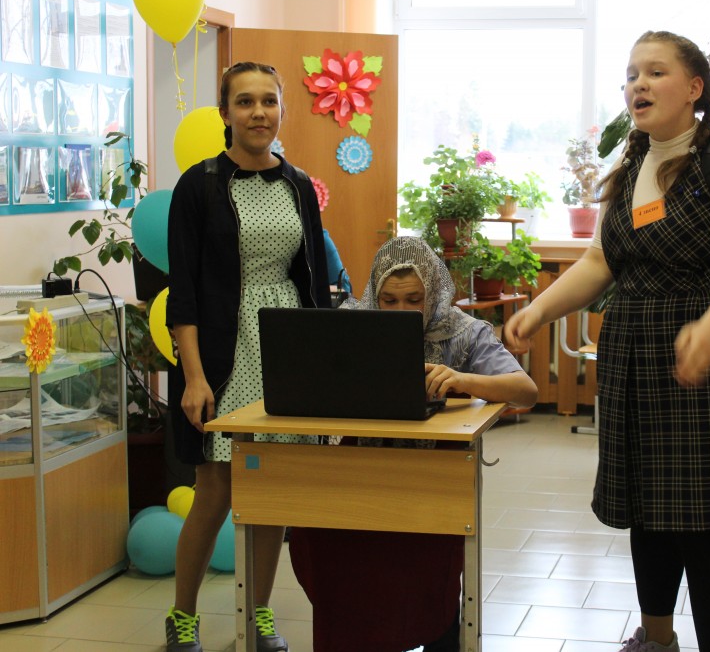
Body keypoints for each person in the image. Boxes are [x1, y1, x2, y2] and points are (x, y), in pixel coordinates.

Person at [504, 31, 710, 652]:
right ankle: (656, 641)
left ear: (694, 88)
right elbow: (600, 262)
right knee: (647, 513)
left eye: (655, 72)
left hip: (708, 360)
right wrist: (539, 310)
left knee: (706, 527)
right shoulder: (630, 168)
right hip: (635, 356)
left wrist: (708, 330)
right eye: (632, 74)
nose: (638, 84)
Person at [288, 235, 537, 651]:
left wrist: (462, 379)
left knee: (429, 573)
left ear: (433, 293)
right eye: (389, 301)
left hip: (431, 485)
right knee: (319, 539)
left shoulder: (464, 332)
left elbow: (525, 390)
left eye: (413, 300)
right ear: (375, 294)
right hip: (359, 481)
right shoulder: (351, 322)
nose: (401, 311)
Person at [164, 61, 330, 652]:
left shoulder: (299, 185)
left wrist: (320, 368)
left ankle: (258, 613)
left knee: (272, 490)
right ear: (225, 113)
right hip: (220, 351)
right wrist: (193, 377)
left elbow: (312, 282)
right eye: (245, 102)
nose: (258, 112)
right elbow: (183, 292)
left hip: (282, 346)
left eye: (268, 101)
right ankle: (182, 615)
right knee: (214, 493)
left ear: (281, 109)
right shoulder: (198, 185)